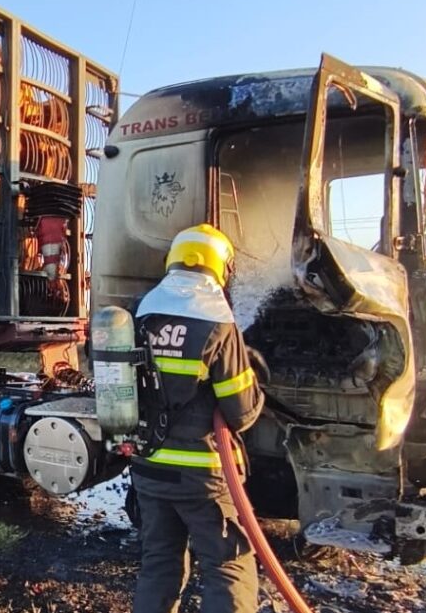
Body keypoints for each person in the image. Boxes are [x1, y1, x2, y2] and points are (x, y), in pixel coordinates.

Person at [130, 223, 265, 613]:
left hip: (149, 470)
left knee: (159, 563)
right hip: (203, 478)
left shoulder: (141, 312)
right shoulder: (216, 320)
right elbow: (240, 413)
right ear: (221, 267)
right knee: (227, 568)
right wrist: (255, 382)